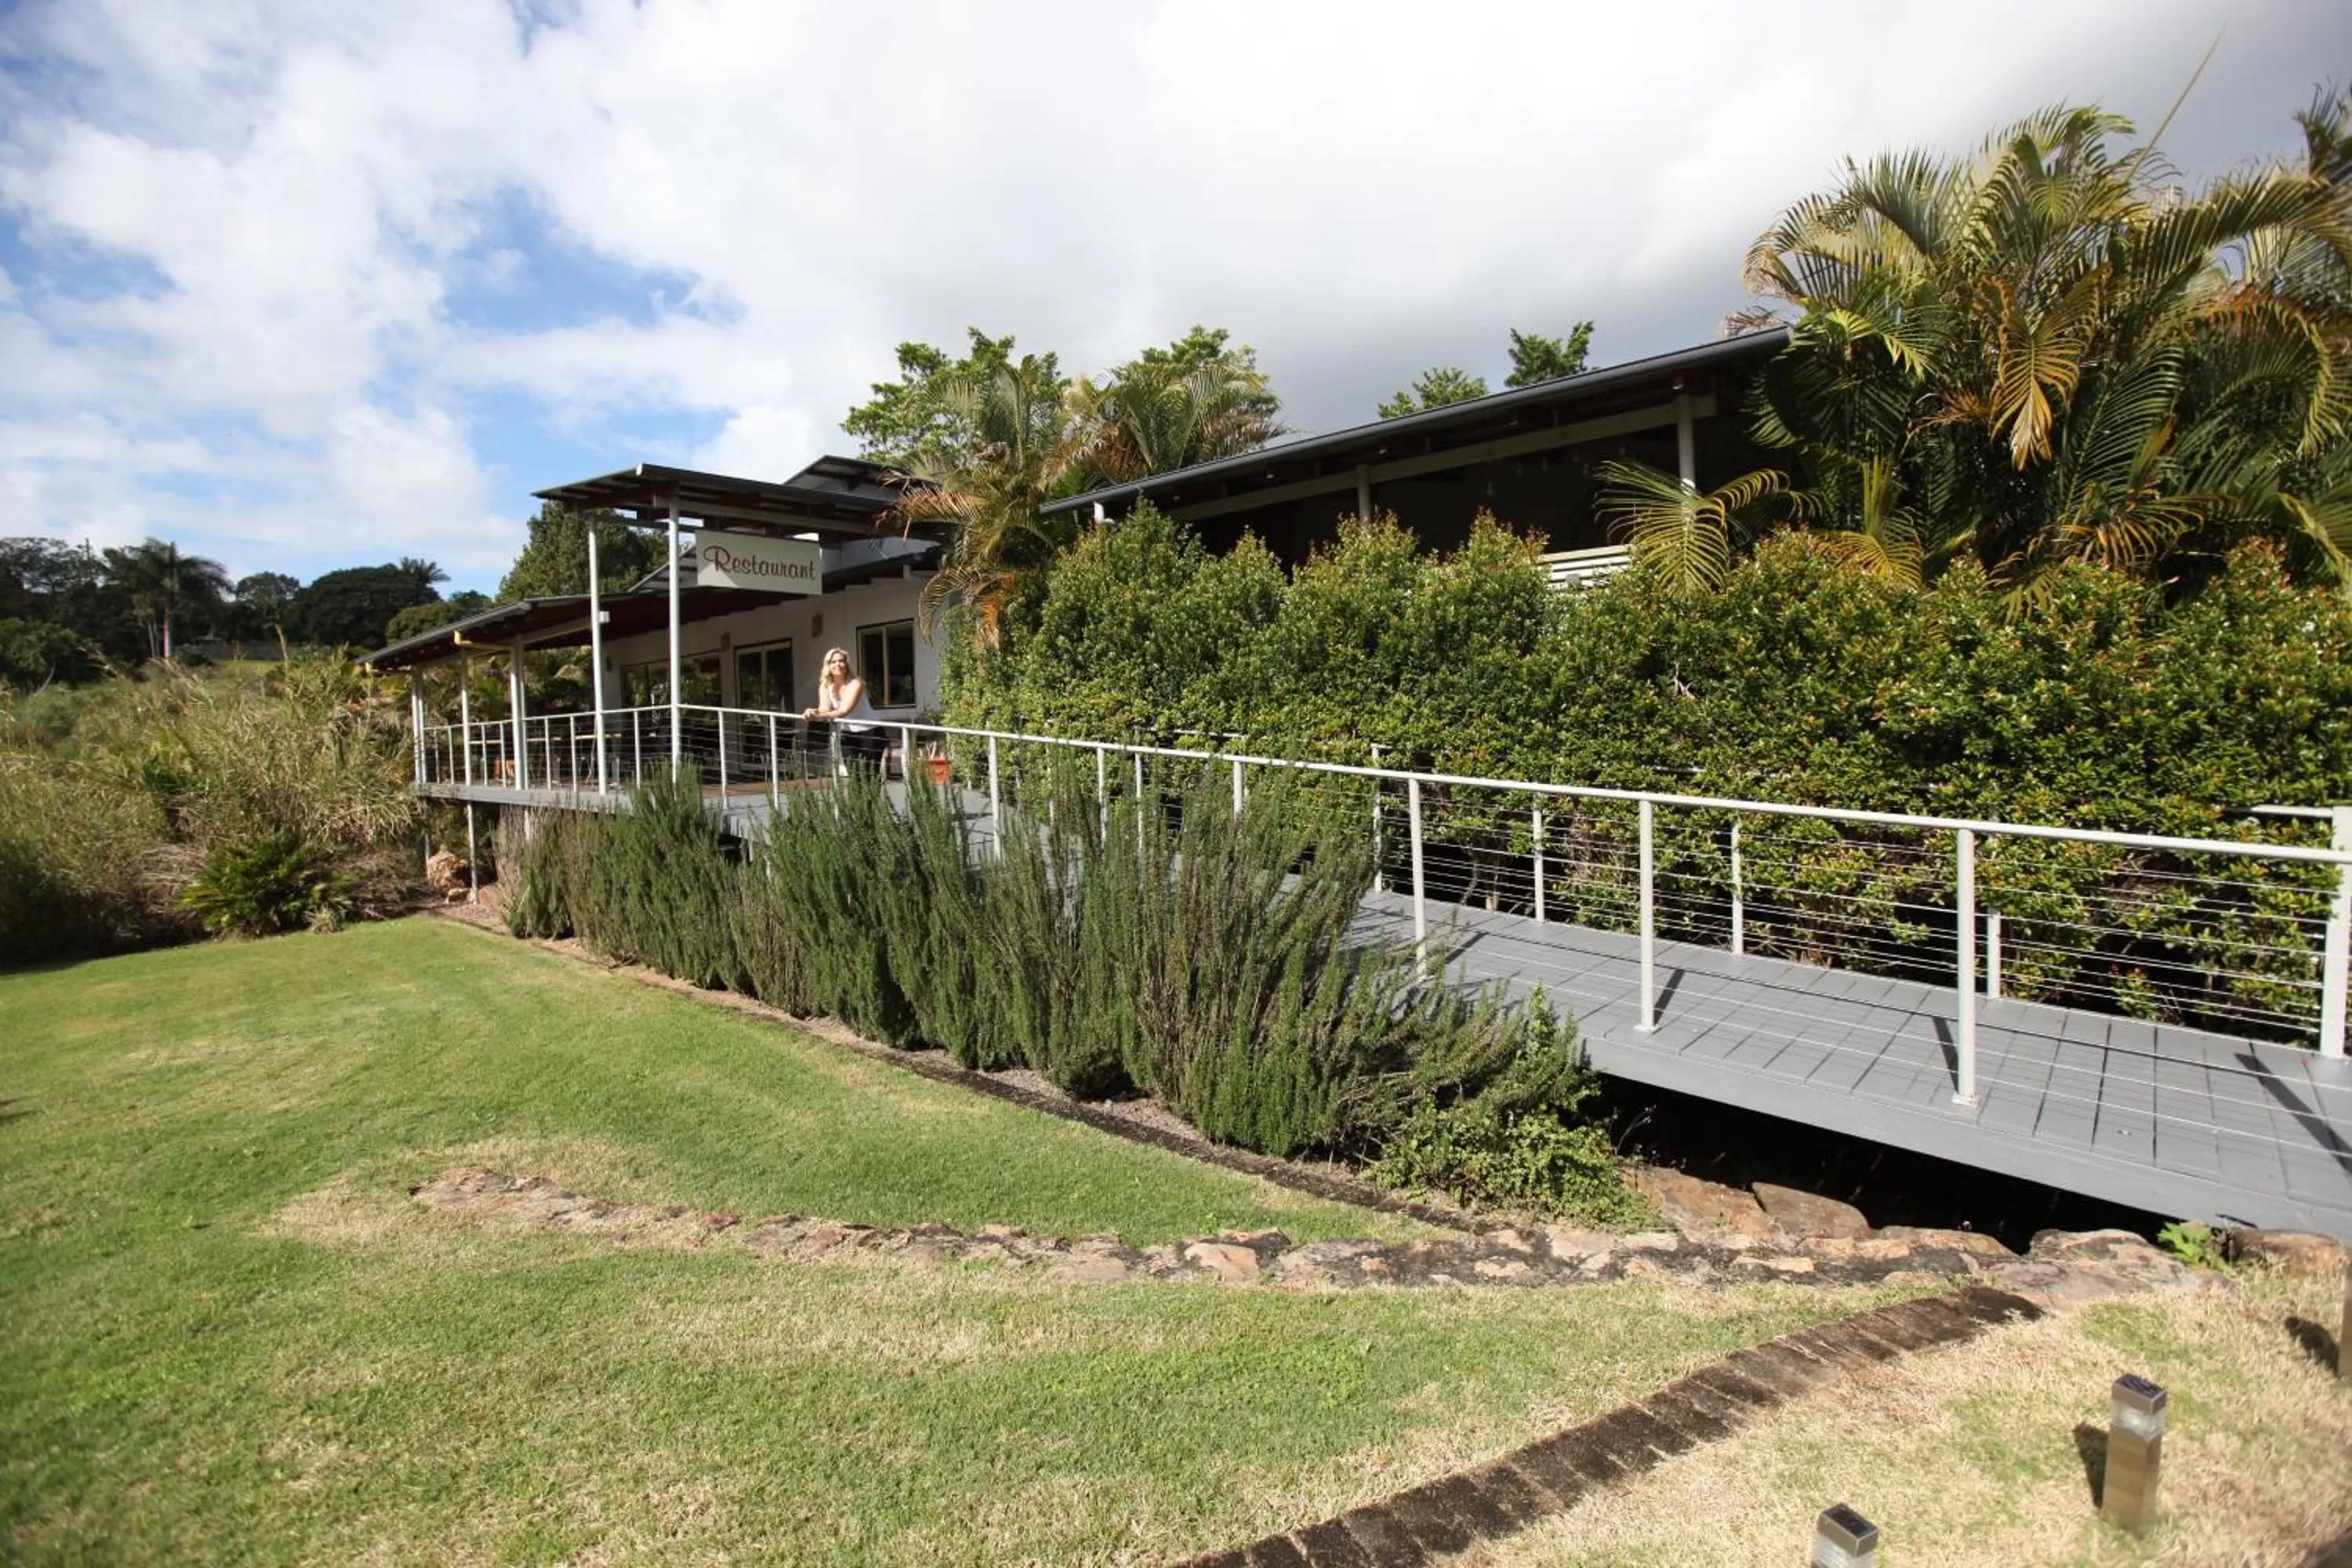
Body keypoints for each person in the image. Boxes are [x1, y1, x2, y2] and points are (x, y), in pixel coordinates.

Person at [803, 646, 886, 773]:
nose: (838, 664)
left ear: (847, 664)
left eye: (842, 661)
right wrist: (813, 711)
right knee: (853, 775)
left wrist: (817, 716)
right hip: (848, 734)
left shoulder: (856, 684)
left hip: (870, 733)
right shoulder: (825, 686)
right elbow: (825, 709)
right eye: (834, 662)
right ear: (828, 665)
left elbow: (844, 711)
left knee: (870, 778)